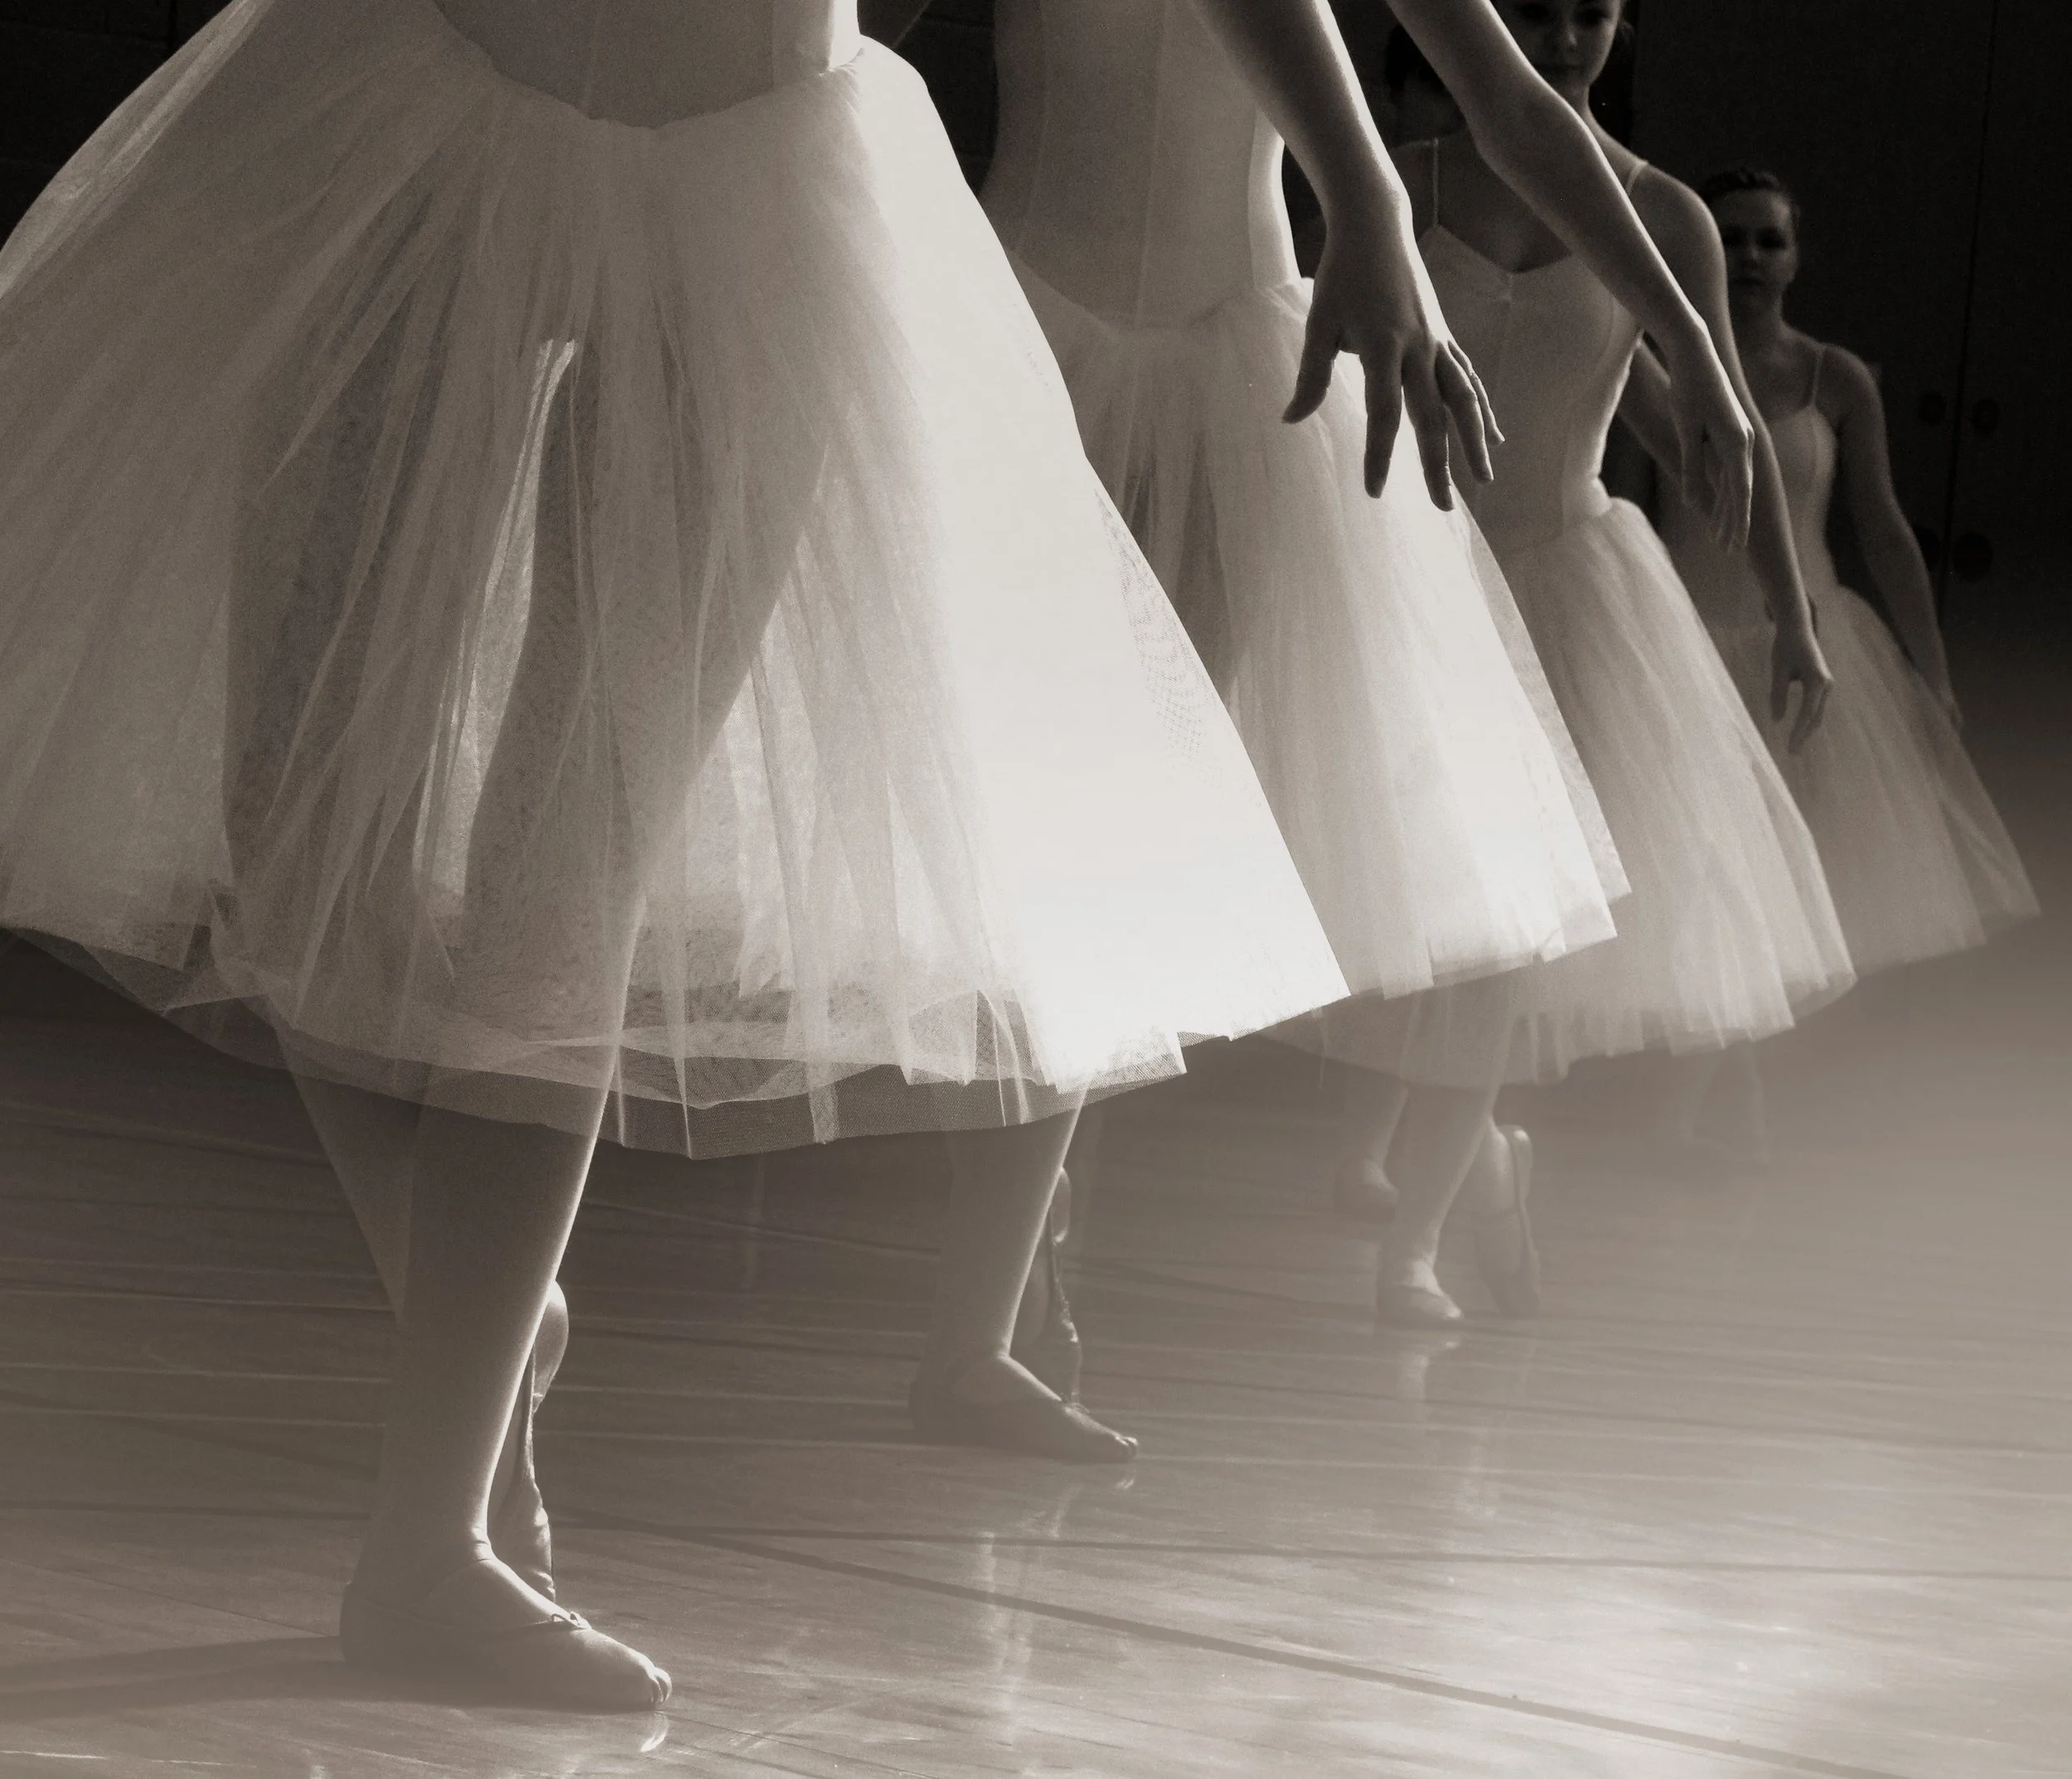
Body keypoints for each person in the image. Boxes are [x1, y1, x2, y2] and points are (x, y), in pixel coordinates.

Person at [0, 0, 1369, 1707]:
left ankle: (434, 1545)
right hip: (426, 96)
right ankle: (474, 1290)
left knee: (567, 861)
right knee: (295, 819)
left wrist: (1362, 201)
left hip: (759, 164)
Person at [1279, 2, 1856, 1325]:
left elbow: (1724, 428)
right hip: (1414, 581)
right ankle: (1488, 1157)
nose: (1565, 34)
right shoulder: (1391, 178)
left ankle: (1413, 1242)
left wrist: (1790, 605)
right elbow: (1312, 367)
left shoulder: (1666, 215)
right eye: (1534, 6)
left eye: (1593, 10)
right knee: (1406, 930)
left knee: (1507, 948)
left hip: (1570, 593)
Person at [1640, 167, 2037, 988]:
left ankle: (1754, 1091)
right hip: (1690, 641)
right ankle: (1715, 1089)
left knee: (1811, 879)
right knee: (1700, 873)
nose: (1746, 255)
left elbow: (1884, 531)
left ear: (1793, 259)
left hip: (1812, 644)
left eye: (1768, 239)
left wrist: (1932, 672)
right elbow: (1628, 504)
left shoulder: (1837, 376)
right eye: (1727, 237)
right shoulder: (1656, 361)